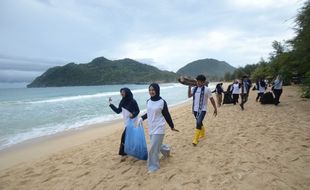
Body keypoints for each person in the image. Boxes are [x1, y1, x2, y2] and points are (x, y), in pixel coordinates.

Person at [139, 83, 179, 173]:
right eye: (150, 90)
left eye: (153, 90)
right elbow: (149, 113)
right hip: (151, 127)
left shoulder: (162, 102)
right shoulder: (148, 101)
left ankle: (153, 166)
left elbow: (166, 115)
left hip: (159, 127)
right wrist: (141, 118)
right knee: (158, 145)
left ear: (157, 90)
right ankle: (167, 150)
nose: (151, 91)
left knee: (153, 147)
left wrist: (172, 126)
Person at [109, 88, 140, 158]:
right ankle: (130, 151)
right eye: (121, 92)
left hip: (133, 122)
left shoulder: (133, 101)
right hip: (127, 123)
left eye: (123, 92)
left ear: (127, 92)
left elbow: (137, 110)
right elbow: (118, 111)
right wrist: (111, 104)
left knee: (124, 137)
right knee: (130, 138)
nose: (121, 93)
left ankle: (123, 153)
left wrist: (133, 114)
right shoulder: (122, 101)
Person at [188, 75, 217, 146]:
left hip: (203, 109)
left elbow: (211, 99)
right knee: (199, 121)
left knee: (198, 122)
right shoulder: (194, 89)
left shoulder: (207, 89)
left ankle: (195, 139)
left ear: (203, 82)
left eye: (200, 81)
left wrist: (215, 108)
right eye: (197, 81)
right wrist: (189, 87)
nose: (198, 82)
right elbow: (189, 96)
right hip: (194, 109)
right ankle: (203, 132)